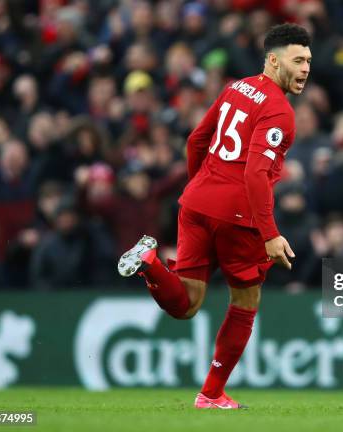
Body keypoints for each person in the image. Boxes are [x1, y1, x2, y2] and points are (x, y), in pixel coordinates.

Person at [117, 23, 311, 409]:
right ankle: (210, 393)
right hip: (239, 214)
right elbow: (256, 174)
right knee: (246, 300)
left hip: (196, 202)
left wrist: (202, 187)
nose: (305, 68)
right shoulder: (279, 111)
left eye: (308, 61)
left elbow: (195, 141)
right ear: (273, 60)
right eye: (297, 60)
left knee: (186, 304)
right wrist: (271, 234)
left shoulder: (235, 87)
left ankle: (151, 263)